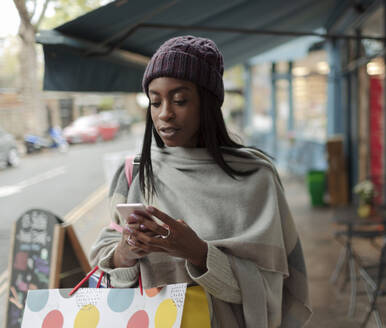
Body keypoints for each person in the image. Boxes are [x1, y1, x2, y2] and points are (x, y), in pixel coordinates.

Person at [90, 35, 312, 327]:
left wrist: (197, 251)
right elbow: (105, 271)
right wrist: (125, 252)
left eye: (180, 100)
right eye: (155, 102)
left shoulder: (256, 178)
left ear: (207, 103)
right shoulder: (133, 174)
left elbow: (271, 292)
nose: (165, 113)